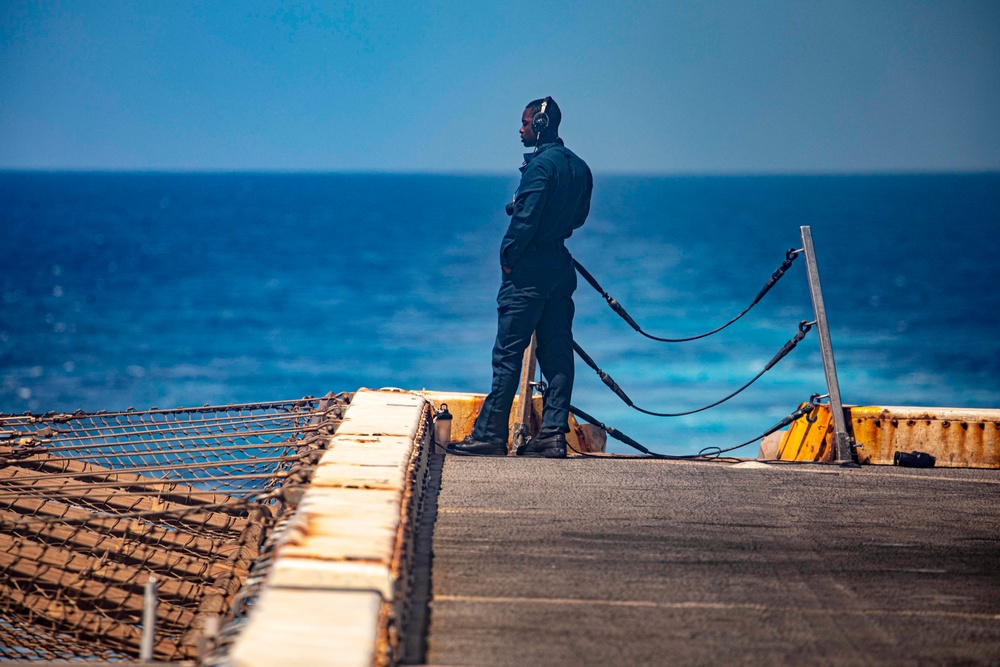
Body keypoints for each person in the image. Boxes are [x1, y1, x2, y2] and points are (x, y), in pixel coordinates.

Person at [449, 96, 593, 459]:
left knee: (507, 355)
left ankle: (489, 435)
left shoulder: (540, 168)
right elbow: (577, 220)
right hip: (560, 270)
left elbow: (523, 222)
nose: (521, 128)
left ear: (540, 126)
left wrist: (508, 259)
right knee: (557, 353)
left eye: (526, 122)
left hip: (529, 273)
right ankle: (552, 435)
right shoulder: (580, 168)